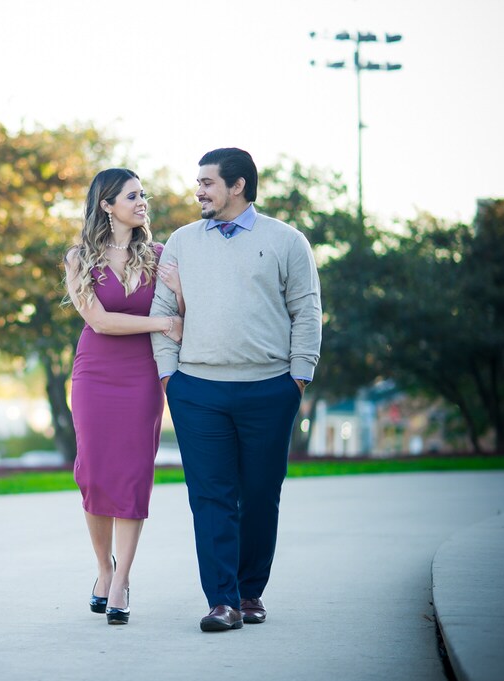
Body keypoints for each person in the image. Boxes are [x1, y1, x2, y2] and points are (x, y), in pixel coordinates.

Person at [150, 148, 322, 632]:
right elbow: (164, 310)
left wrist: (298, 376)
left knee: (261, 494)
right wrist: (170, 377)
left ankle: (250, 593)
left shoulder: (287, 240)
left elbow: (307, 311)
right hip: (197, 390)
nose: (198, 190)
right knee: (210, 496)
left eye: (206, 182)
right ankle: (221, 601)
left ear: (238, 185)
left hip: (270, 388)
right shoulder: (182, 241)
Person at [64, 168, 184, 625]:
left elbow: (184, 311)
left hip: (142, 376)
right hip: (95, 373)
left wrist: (177, 292)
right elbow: (100, 322)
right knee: (94, 475)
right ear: (106, 204)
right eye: (132, 195)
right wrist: (161, 323)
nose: (142, 202)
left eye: (143, 194)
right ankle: (102, 567)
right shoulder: (79, 259)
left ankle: (122, 580)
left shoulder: (158, 255)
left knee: (134, 475)